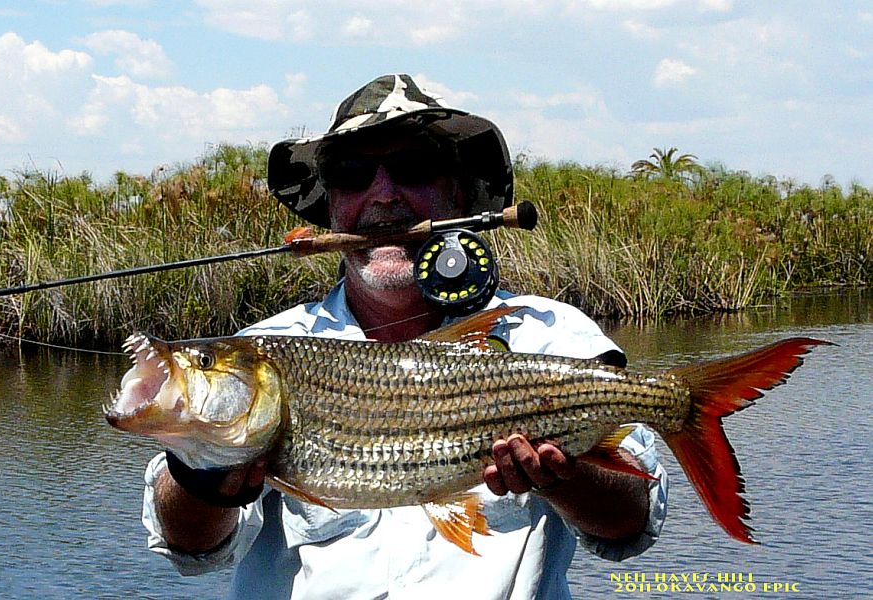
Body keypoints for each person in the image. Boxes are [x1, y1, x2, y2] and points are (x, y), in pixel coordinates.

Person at [140, 74, 668, 599]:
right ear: (330, 206)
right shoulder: (262, 350)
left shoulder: (552, 335)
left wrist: (566, 477)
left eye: (414, 169)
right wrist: (196, 481)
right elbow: (191, 548)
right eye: (351, 173)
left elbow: (630, 524)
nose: (384, 194)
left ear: (457, 192)